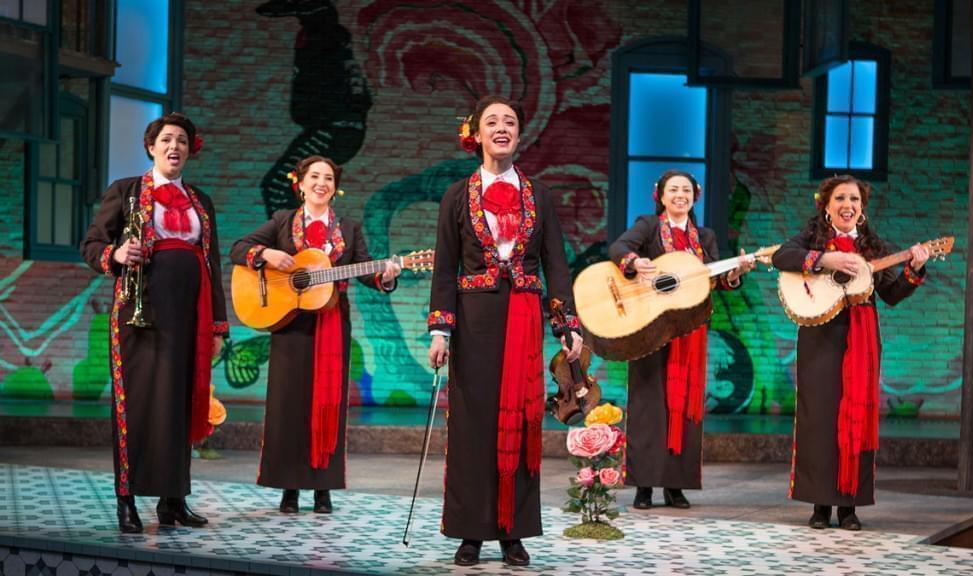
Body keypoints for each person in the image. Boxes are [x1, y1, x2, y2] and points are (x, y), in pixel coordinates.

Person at [427, 95, 583, 567]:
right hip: (474, 323)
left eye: (509, 122)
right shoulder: (457, 194)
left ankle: (513, 533)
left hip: (521, 318)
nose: (501, 127)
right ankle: (470, 532)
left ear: (519, 134)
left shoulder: (539, 194)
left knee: (520, 421)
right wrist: (440, 331)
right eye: (491, 121)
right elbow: (444, 269)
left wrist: (565, 324)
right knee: (473, 426)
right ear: (475, 134)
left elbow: (556, 262)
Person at [81, 112, 229, 533]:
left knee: (180, 404)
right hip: (137, 315)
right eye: (166, 139)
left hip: (189, 317)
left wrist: (218, 326)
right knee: (137, 405)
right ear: (151, 146)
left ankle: (173, 500)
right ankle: (126, 501)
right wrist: (115, 255)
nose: (174, 147)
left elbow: (212, 265)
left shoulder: (202, 201)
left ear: (189, 150)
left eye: (182, 140)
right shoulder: (126, 192)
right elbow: (91, 243)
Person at [230, 155, 400, 515]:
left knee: (328, 405)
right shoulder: (282, 221)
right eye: (315, 177)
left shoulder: (349, 228)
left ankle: (323, 488)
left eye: (328, 177)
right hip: (289, 326)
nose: (321, 183)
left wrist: (386, 275)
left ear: (335, 188)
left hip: (332, 323)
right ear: (301, 183)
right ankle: (288, 488)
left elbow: (367, 271)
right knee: (288, 407)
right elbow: (238, 249)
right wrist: (267, 254)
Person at [772, 175, 928, 530]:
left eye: (854, 199)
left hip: (861, 340)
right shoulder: (813, 241)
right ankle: (819, 505)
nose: (848, 205)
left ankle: (848, 507)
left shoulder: (872, 247)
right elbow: (782, 256)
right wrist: (828, 260)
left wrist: (914, 268)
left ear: (862, 208)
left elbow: (892, 293)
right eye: (840, 198)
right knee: (820, 420)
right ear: (825, 207)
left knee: (856, 417)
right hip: (820, 339)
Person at [608, 170, 754, 511]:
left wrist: (735, 273)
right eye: (673, 189)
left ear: (695, 196)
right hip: (651, 327)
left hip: (690, 330)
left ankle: (676, 485)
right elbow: (619, 247)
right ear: (660, 195)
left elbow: (714, 278)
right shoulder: (647, 225)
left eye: (686, 190)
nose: (679, 195)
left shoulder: (704, 236)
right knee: (648, 407)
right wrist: (635, 261)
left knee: (685, 404)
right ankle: (644, 486)